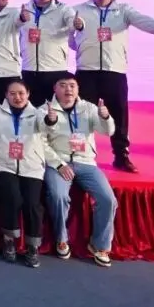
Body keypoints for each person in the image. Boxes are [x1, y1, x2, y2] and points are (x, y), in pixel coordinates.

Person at [71, 0, 154, 173]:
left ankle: (121, 156)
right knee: (80, 115)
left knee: (119, 114)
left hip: (114, 71)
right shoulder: (78, 10)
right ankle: (78, 156)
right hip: (86, 71)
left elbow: (142, 21)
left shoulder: (124, 10)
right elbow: (68, 36)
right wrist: (82, 47)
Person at [41, 75, 118, 267]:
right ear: (55, 89)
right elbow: (40, 142)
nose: (68, 89)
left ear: (77, 89)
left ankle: (100, 245)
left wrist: (105, 117)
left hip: (86, 163)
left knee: (108, 199)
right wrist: (59, 164)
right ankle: (61, 238)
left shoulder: (89, 108)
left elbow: (108, 131)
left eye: (72, 86)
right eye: (63, 85)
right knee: (58, 196)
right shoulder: (44, 110)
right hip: (59, 163)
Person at [0, 79, 47, 268]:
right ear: (6, 95)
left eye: (21, 93)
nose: (17, 97)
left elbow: (48, 127)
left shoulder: (39, 113)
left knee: (32, 204)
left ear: (28, 94)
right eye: (12, 93)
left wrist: (51, 119)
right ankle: (9, 240)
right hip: (4, 165)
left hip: (31, 165)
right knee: (11, 198)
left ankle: (32, 245)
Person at [20, 0, 78, 107]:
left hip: (55, 69)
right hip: (29, 69)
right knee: (31, 111)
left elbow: (73, 22)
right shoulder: (24, 10)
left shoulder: (64, 9)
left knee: (56, 110)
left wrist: (77, 24)